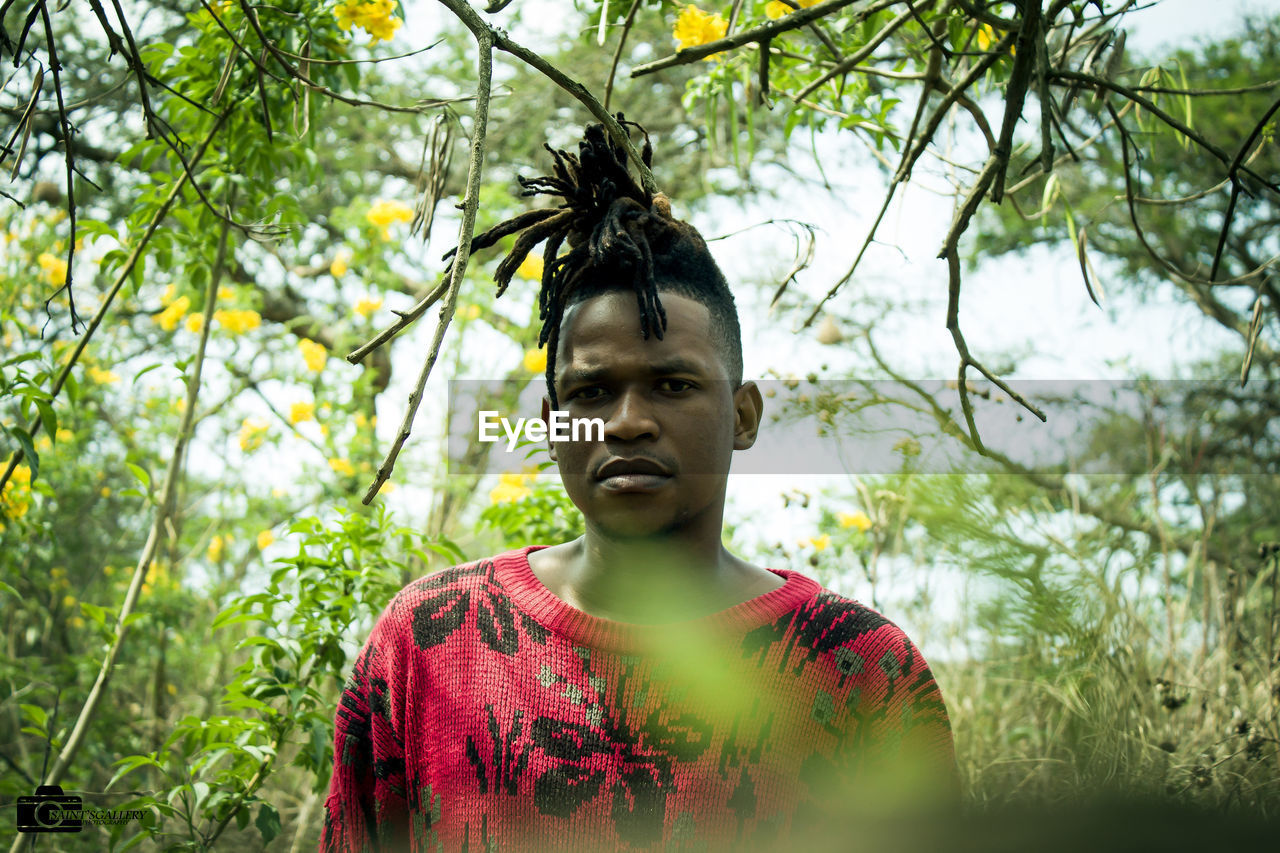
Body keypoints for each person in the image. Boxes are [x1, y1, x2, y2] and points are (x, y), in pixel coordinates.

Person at [321, 119, 957, 852]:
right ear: (554, 424)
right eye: (592, 393)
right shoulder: (430, 640)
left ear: (743, 415)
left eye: (672, 384)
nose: (626, 422)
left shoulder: (858, 669)